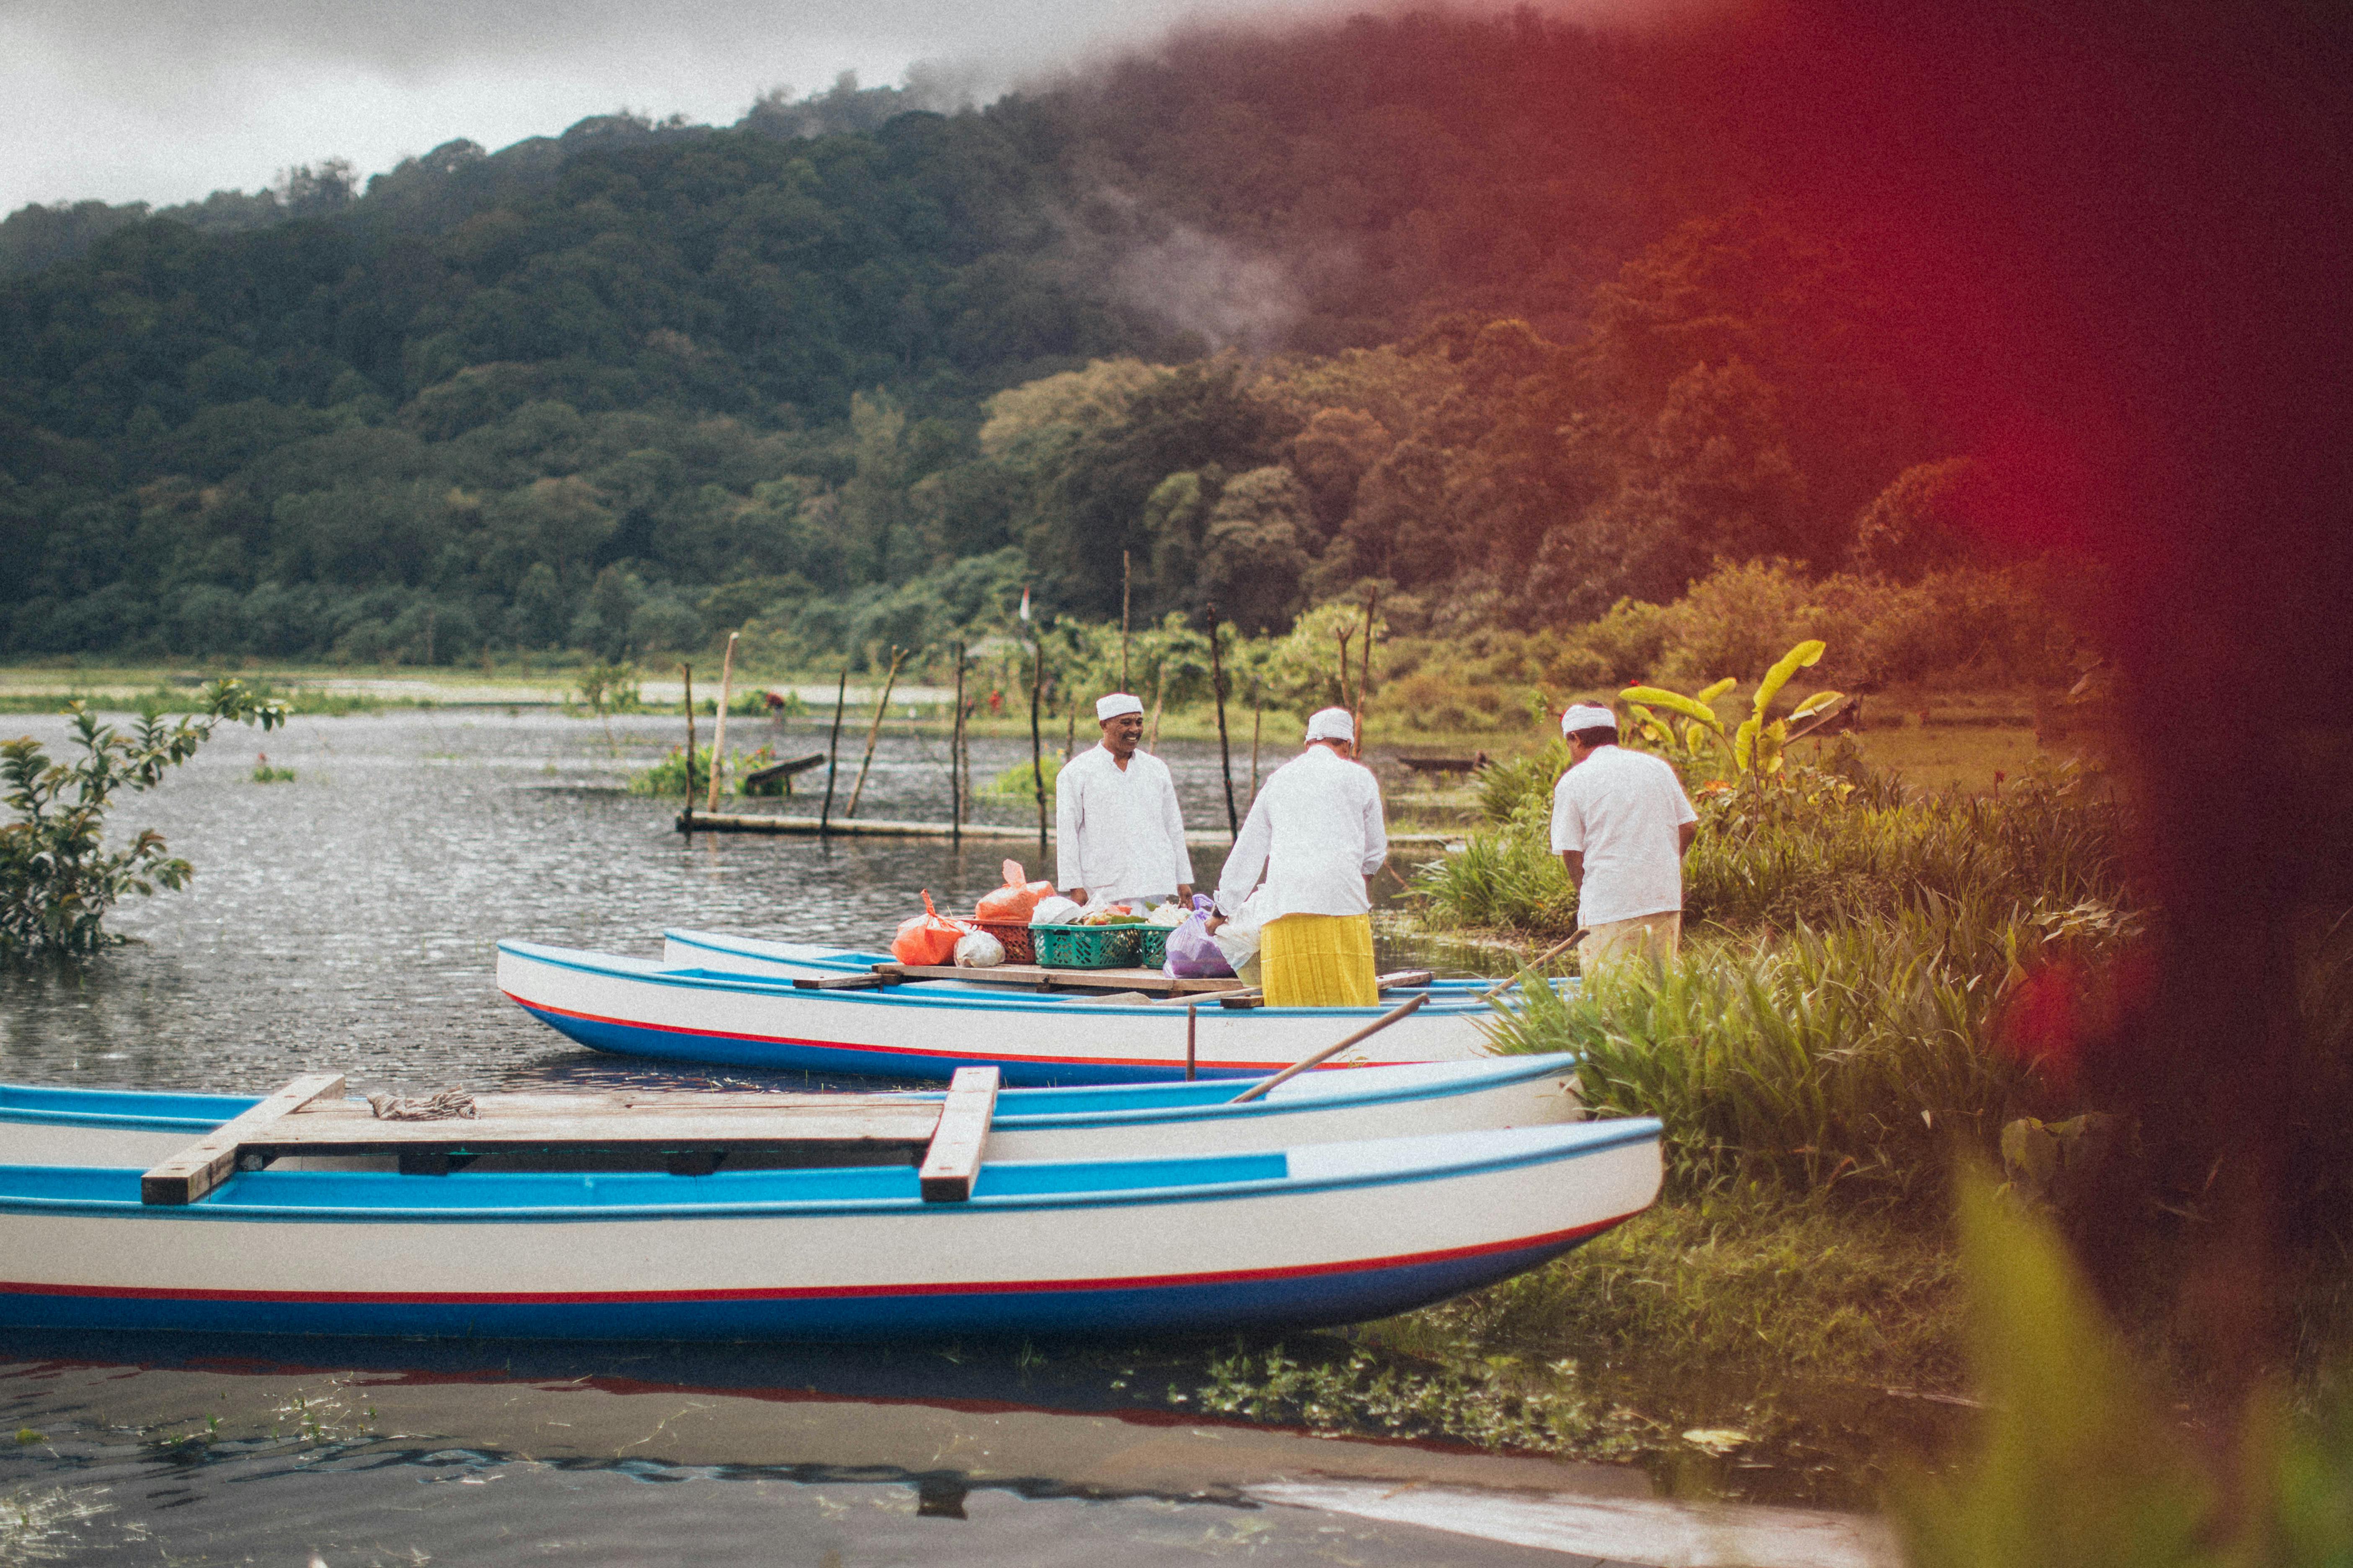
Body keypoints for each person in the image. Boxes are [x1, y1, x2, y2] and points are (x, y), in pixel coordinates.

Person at [1211, 707, 1388, 1007]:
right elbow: (1374, 853)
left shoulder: (1278, 780)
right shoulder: (1360, 778)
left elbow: (1248, 851)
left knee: (1292, 1000)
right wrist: (1352, 882)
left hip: (1284, 909)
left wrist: (1221, 913)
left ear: (1307, 744)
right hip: (1343, 908)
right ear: (1347, 744)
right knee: (1349, 998)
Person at [1549, 702, 1697, 967]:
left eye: (1569, 743)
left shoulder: (1573, 782)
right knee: (1659, 991)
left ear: (1576, 738)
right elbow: (1688, 827)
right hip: (1663, 898)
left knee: (1608, 999)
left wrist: (1589, 896)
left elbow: (1571, 852)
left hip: (1609, 906)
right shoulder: (1657, 768)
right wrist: (1662, 866)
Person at [1055, 693, 1193, 908]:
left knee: (1151, 940)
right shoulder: (1076, 772)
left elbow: (1173, 827)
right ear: (1104, 725)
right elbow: (1067, 834)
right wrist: (1074, 886)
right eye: (1126, 723)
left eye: (1139, 722)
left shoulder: (1157, 769)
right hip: (1102, 888)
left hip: (1152, 883)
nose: (1135, 730)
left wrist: (1183, 880)